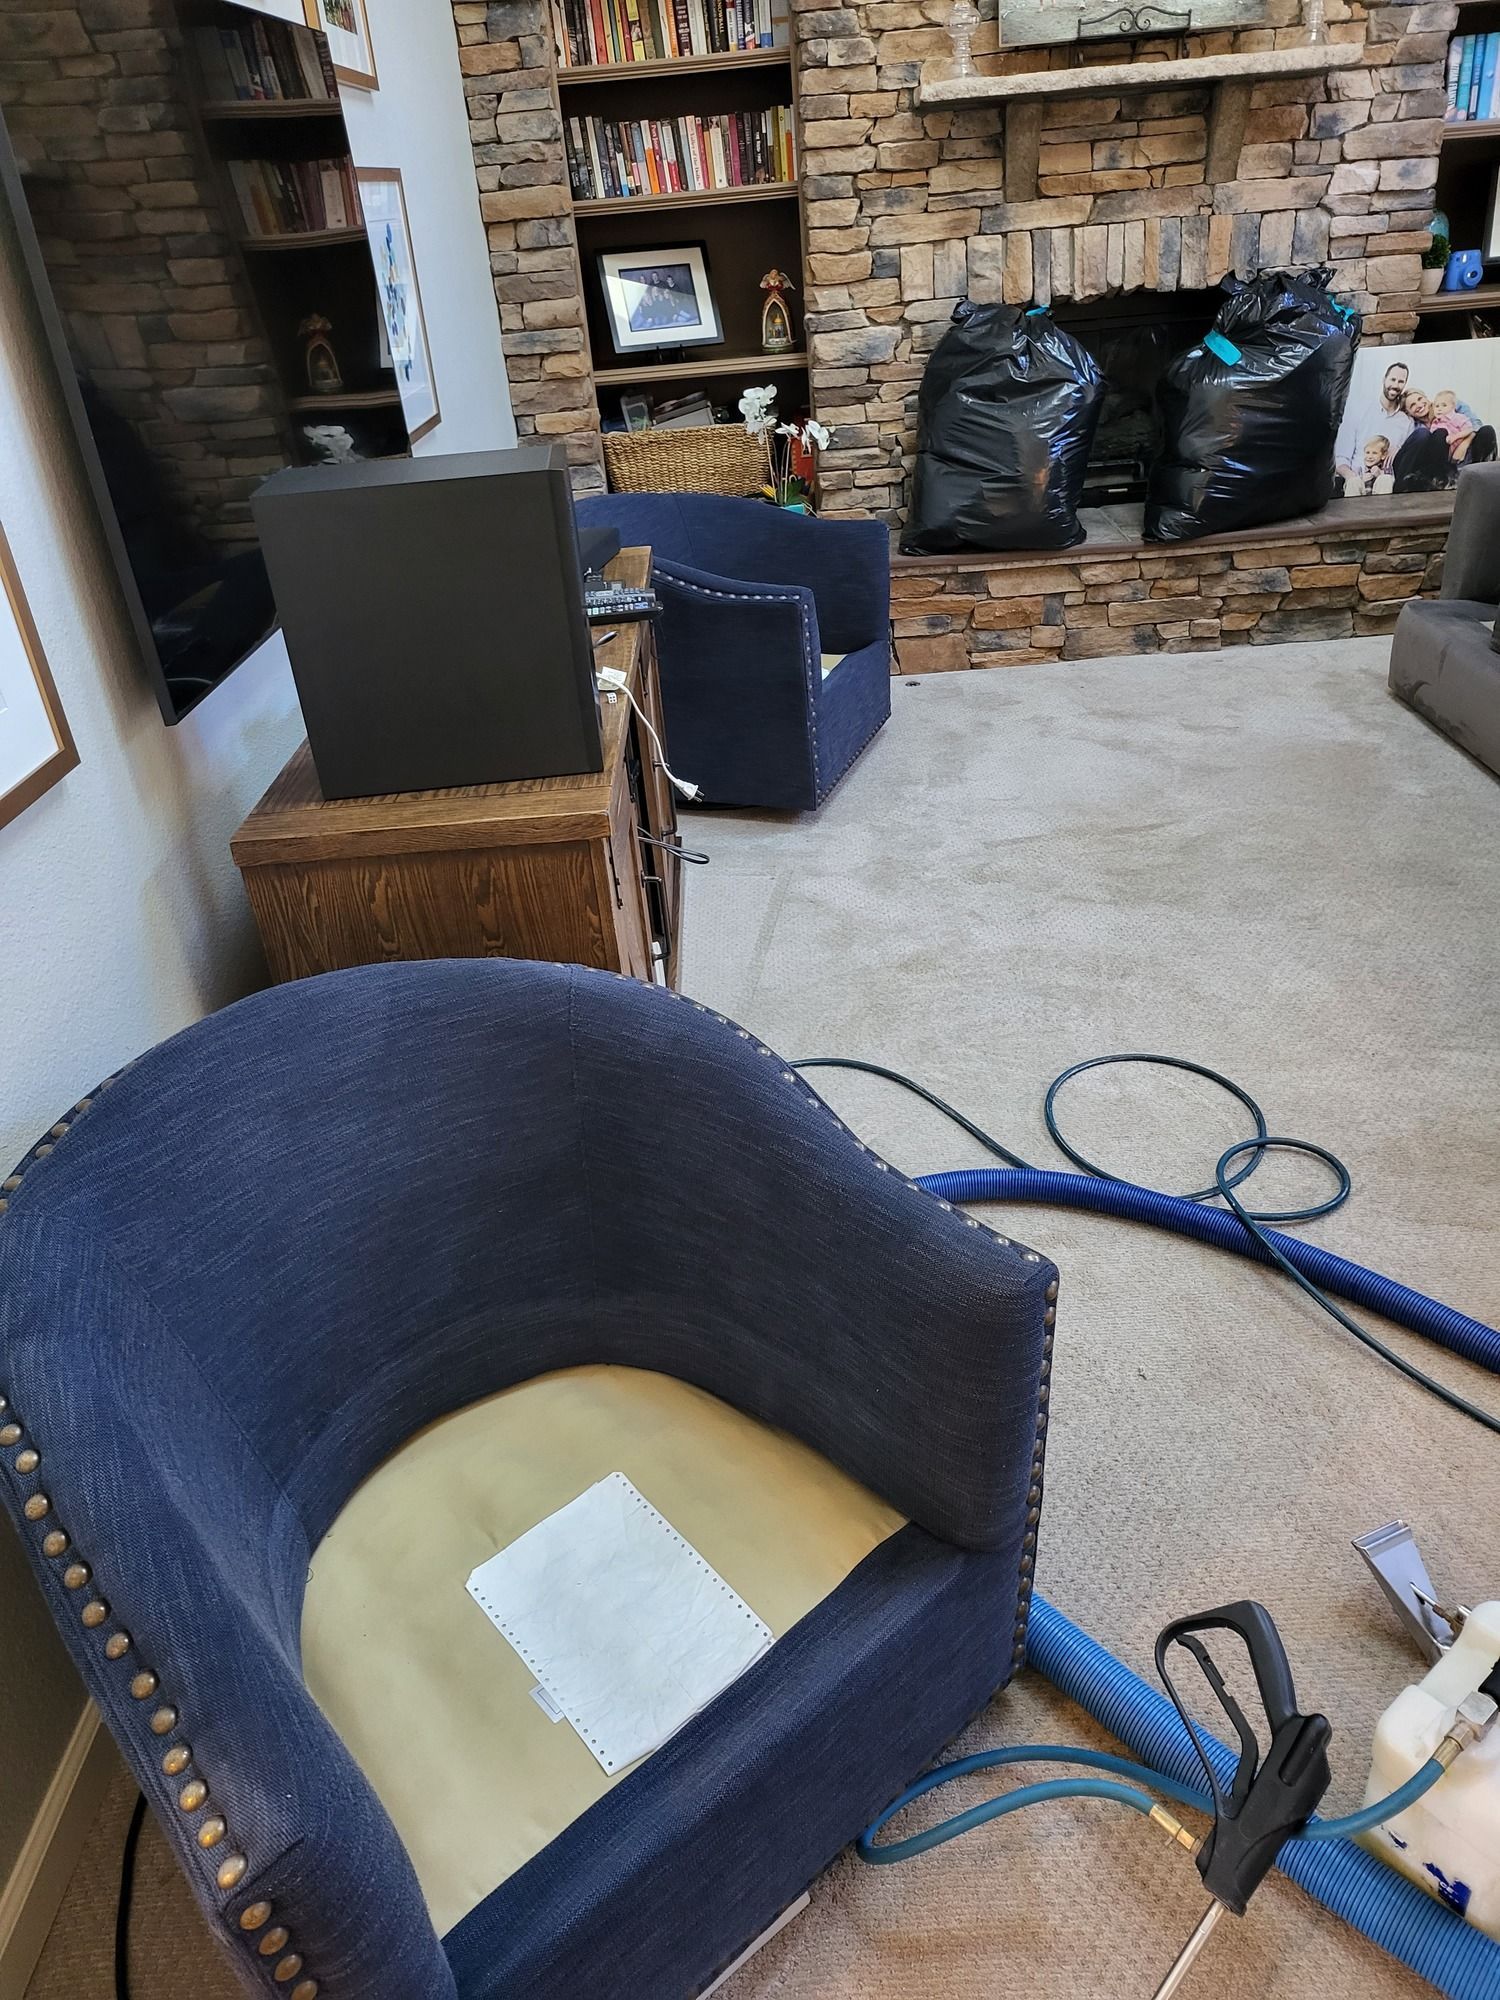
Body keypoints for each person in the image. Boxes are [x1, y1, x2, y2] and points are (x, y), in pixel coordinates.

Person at [1334, 359, 1414, 494]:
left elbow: (1407, 457)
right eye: (1392, 379)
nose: (1395, 385)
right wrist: (1351, 476)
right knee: (1353, 486)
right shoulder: (1359, 412)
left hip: (1386, 483)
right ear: (1384, 379)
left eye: (1401, 381)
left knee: (1386, 481)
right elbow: (1341, 457)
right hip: (1357, 478)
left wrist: (1399, 449)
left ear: (1405, 384)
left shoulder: (1406, 422)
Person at [1390, 387, 1453, 492]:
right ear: (1408, 412)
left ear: (1427, 398)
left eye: (1420, 399)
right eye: (1412, 405)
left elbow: (1473, 424)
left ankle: (1435, 483)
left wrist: (1466, 440)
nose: (1419, 405)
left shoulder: (1443, 406)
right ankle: (1400, 487)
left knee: (1440, 433)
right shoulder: (1410, 424)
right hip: (1407, 464)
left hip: (1429, 467)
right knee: (1423, 433)